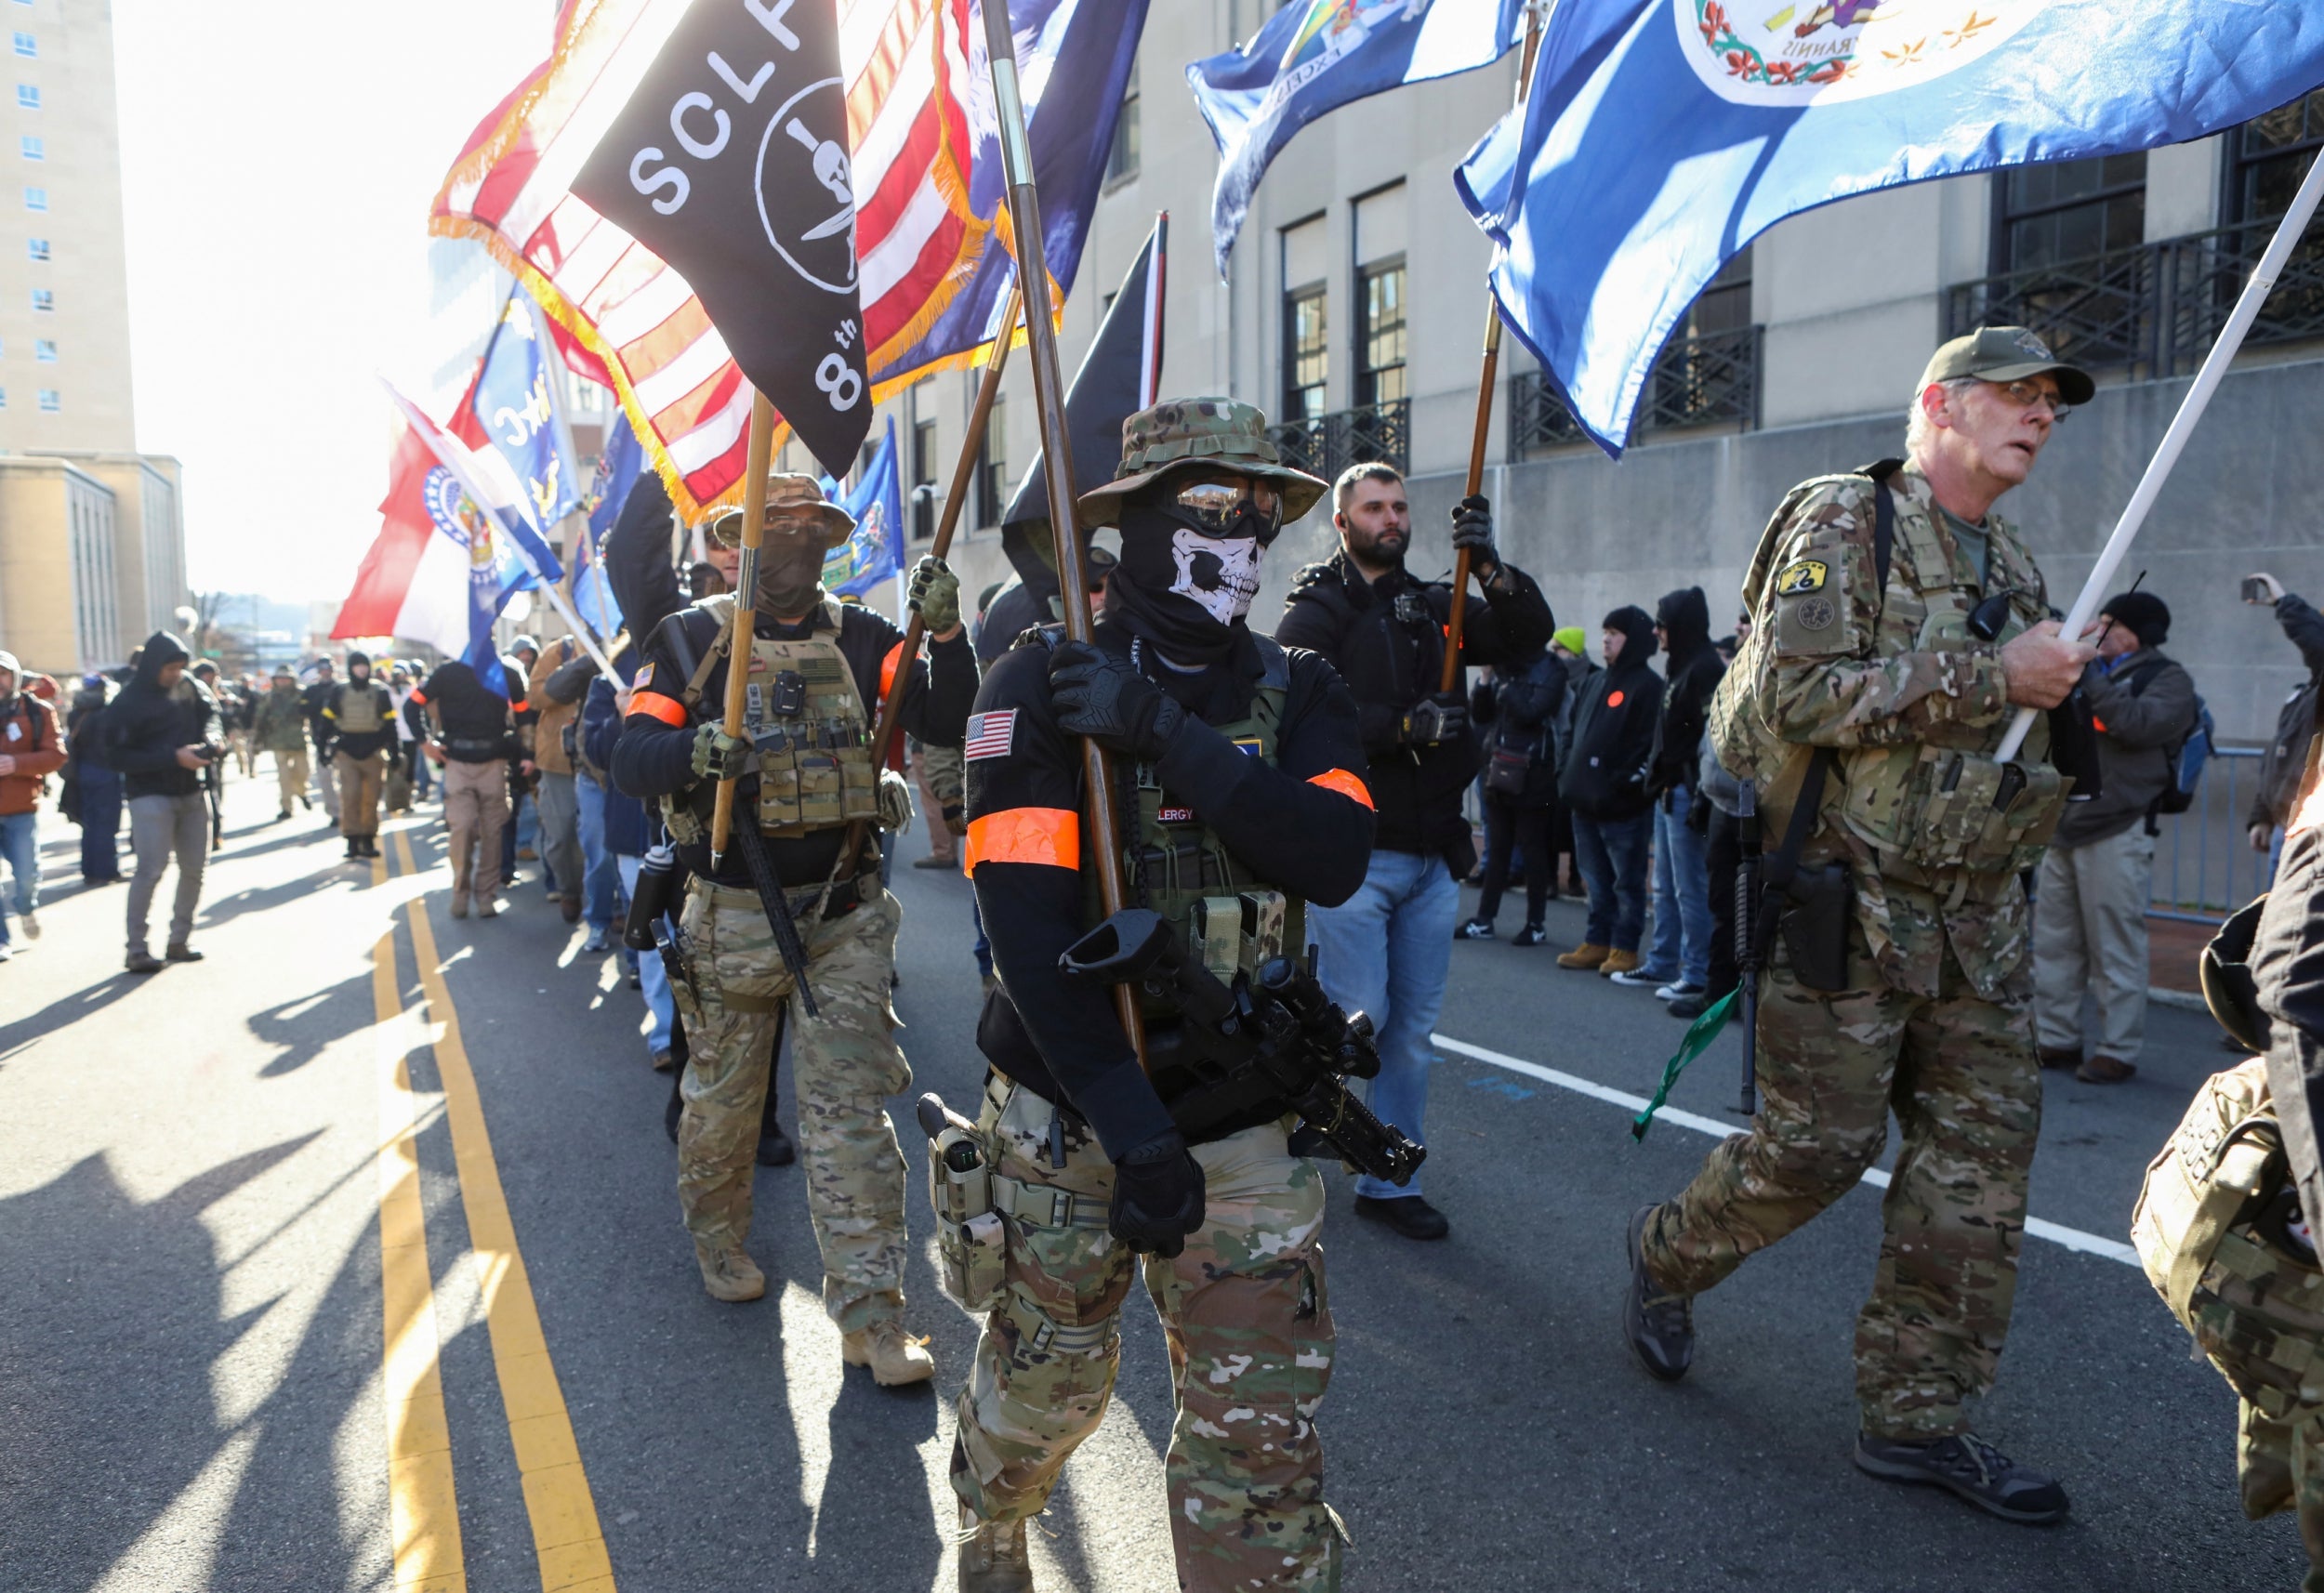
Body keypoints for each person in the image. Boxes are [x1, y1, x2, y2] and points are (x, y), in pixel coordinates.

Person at [1624, 326, 2100, 1521]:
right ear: (1939, 402)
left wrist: (2048, 696)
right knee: (1813, 1153)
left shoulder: (2019, 560)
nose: (2038, 415)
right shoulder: (1848, 520)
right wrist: (1999, 679)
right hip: (1847, 911)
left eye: (2051, 403)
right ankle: (1664, 1252)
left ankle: (1915, 1419)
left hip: (1977, 926)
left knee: (1975, 1179)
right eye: (2015, 394)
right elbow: (1793, 694)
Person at [949, 398, 1375, 1591]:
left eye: (1257, 512)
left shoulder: (1303, 688)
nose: (1236, 535)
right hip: (1067, 1111)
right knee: (1044, 1394)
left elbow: (1331, 853)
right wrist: (1130, 1129)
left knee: (1260, 1441)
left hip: (1239, 1120)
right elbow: (1027, 939)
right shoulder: (1031, 684)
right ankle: (991, 1523)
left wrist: (1166, 736)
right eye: (1202, 507)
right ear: (1127, 526)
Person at [610, 473, 974, 1382]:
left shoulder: (862, 638)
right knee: (724, 1108)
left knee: (851, 1113)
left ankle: (873, 1313)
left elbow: (945, 714)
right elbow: (623, 756)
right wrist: (689, 752)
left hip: (843, 917)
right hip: (731, 916)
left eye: (815, 527)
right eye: (780, 527)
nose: (800, 542)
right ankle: (718, 1239)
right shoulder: (693, 640)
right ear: (742, 539)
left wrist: (951, 635)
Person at [1274, 461, 1553, 1242]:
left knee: (1412, 1032)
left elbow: (1525, 636)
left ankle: (1389, 1176)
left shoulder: (1436, 604)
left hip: (1434, 855)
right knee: (1356, 1023)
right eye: (1374, 507)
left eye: (1400, 506)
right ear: (1342, 521)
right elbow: (1291, 706)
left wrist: (1491, 564)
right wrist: (1398, 728)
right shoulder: (1317, 611)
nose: (1392, 518)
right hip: (1357, 857)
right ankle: (1292, 1136)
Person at [2032, 590, 2196, 1085]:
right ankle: (2056, 1038)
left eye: (2110, 623)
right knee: (2055, 943)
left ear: (2138, 634)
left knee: (2114, 945)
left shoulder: (2168, 679)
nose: (2099, 630)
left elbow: (2136, 724)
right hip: (2066, 825)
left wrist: (2094, 679)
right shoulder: (2091, 673)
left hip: (2118, 826)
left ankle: (2117, 1049)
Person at [1606, 587, 1724, 1003]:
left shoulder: (1704, 667)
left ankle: (1696, 971)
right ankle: (1662, 962)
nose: (1656, 632)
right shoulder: (1682, 666)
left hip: (1686, 795)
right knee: (1667, 886)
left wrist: (1697, 795)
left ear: (1680, 627)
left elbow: (1712, 739)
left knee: (1688, 887)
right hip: (1666, 793)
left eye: (1662, 624)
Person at [1555, 607, 1663, 976]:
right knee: (1596, 879)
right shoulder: (1594, 682)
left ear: (1632, 640)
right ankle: (1596, 940)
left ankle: (1625, 947)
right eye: (1604, 632)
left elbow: (1649, 746)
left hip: (1623, 808)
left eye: (1614, 633)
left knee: (1626, 882)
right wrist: (1565, 771)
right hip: (1583, 802)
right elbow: (1570, 732)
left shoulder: (1649, 687)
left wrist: (1624, 783)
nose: (1605, 639)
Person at [108, 631, 222, 972]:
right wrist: (173, 757)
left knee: (194, 870)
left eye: (179, 667)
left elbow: (212, 713)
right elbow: (116, 755)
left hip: (192, 790)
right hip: (150, 795)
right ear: (153, 666)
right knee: (150, 870)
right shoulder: (128, 700)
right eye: (169, 668)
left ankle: (179, 941)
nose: (175, 674)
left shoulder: (190, 685)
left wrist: (213, 739)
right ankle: (137, 948)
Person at [1457, 638, 1565, 943]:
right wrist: (1486, 679)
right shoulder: (1504, 671)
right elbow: (1481, 715)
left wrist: (1505, 687)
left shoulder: (1551, 669)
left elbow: (1532, 712)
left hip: (1534, 772)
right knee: (1498, 849)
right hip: (1499, 769)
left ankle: (1536, 923)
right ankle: (1485, 919)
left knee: (1533, 851)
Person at [408, 658, 523, 918]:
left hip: (494, 764)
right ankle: (460, 893)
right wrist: (424, 742)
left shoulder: (506, 673)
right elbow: (412, 704)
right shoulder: (446, 673)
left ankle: (486, 896)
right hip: (458, 764)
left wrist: (526, 752)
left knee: (493, 833)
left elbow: (524, 712)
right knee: (461, 829)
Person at [2245, 572, 2324, 878]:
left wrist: (2284, 602)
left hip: (2312, 833)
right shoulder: (2303, 695)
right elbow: (2280, 758)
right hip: (2285, 826)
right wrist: (2262, 816)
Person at [0, 651, 66, 960]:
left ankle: (26, 908)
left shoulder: (37, 711)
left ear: (14, 677)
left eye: (3, 674)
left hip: (21, 809)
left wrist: (17, 763)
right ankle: (2, 939)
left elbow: (56, 755)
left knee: (27, 875)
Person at [529, 634, 595, 924]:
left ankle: (612, 905)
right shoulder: (558, 650)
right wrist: (575, 669)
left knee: (601, 836)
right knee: (562, 833)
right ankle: (569, 890)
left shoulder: (620, 639)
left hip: (600, 758)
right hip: (559, 761)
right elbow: (535, 698)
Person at [324, 650, 397, 861]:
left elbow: (390, 724)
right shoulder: (339, 691)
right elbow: (327, 723)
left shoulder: (380, 692)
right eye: (357, 665)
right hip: (347, 752)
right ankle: (352, 840)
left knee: (371, 798)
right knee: (350, 796)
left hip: (373, 752)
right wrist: (323, 750)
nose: (361, 669)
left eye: (365, 665)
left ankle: (368, 839)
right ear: (351, 668)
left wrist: (395, 751)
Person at [1548, 625, 1594, 898]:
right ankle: (1551, 878)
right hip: (1554, 757)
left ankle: (1576, 877)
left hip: (1579, 761)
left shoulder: (1592, 676)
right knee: (1551, 826)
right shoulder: (1552, 676)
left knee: (1576, 825)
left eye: (1560, 649)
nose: (1555, 655)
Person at [64, 671, 124, 886]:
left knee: (89, 824)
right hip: (105, 772)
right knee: (106, 824)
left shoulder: (75, 712)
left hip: (82, 772)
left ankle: (89, 870)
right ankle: (107, 871)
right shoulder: (107, 713)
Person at [251, 665, 310, 821]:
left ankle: (302, 792)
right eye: (279, 679)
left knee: (302, 773)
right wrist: (257, 741)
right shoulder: (269, 697)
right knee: (283, 777)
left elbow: (311, 712)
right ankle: (286, 807)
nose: (282, 681)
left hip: (298, 741)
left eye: (286, 678)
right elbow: (260, 719)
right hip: (278, 742)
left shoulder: (302, 694)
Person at [300, 658, 341, 831]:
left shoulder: (341, 689)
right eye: (323, 669)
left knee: (345, 778)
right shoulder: (311, 691)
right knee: (325, 778)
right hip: (321, 739)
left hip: (341, 739)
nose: (326, 671)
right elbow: (302, 711)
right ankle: (334, 813)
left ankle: (346, 810)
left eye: (329, 668)